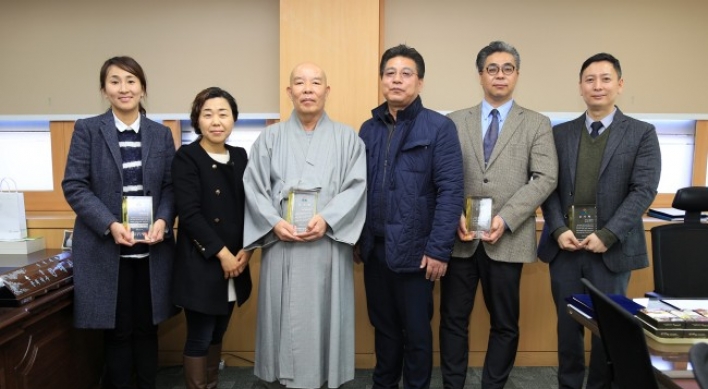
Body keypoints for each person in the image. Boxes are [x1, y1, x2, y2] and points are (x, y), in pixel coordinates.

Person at [538, 52, 661, 389]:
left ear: (619, 85)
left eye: (606, 79)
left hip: (610, 250)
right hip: (565, 248)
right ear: (580, 87)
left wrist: (608, 234)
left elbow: (643, 190)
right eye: (590, 79)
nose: (597, 86)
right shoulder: (559, 134)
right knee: (567, 328)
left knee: (607, 329)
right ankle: (569, 384)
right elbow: (547, 187)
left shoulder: (641, 133)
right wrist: (559, 229)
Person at [439, 41, 558, 389]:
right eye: (492, 68)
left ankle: (493, 385)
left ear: (517, 75)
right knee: (452, 320)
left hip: (506, 238)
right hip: (460, 238)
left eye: (507, 68)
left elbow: (546, 177)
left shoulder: (536, 123)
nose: (500, 75)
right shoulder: (453, 121)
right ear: (480, 75)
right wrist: (451, 215)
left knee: (505, 323)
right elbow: (442, 175)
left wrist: (505, 218)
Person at [243, 62, 367, 389]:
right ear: (290, 92)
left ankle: (324, 378)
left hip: (327, 243)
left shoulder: (347, 138)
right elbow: (253, 187)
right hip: (282, 242)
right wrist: (273, 221)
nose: (307, 89)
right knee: (282, 316)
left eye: (315, 83)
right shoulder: (269, 138)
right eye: (300, 82)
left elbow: (357, 186)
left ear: (327, 91)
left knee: (325, 317)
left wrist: (327, 219)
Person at [62, 56, 177, 389]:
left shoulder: (160, 134)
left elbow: (170, 186)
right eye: (115, 81)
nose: (123, 88)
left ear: (142, 87)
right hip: (106, 250)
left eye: (131, 80)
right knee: (117, 330)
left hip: (151, 252)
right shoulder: (88, 129)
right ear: (104, 89)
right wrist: (110, 224)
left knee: (148, 327)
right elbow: (74, 185)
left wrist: (164, 219)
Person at [358, 44, 464, 389]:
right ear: (381, 80)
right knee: (384, 329)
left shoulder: (439, 127)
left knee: (417, 335)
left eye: (406, 74)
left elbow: (451, 191)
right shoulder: (368, 128)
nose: (397, 80)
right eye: (390, 73)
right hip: (375, 250)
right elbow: (357, 189)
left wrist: (437, 249)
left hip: (417, 252)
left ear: (419, 82)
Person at [171, 87, 253, 389]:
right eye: (208, 114)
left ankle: (212, 383)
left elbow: (250, 207)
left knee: (219, 331)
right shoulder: (187, 157)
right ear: (197, 120)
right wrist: (223, 254)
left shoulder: (241, 155)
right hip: (203, 262)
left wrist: (248, 250)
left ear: (233, 119)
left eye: (223, 114)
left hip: (236, 260)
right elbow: (189, 214)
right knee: (200, 335)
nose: (216, 121)